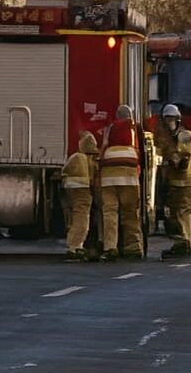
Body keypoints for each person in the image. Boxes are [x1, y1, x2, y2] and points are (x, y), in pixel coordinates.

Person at [98, 105, 143, 261]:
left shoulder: (110, 128)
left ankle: (110, 247)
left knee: (110, 212)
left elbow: (103, 146)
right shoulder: (135, 128)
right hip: (129, 173)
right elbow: (140, 151)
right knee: (130, 213)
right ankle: (133, 247)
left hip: (109, 173)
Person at [155, 104, 191, 260]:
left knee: (181, 215)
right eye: (167, 119)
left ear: (178, 119)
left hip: (184, 182)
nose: (169, 122)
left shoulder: (185, 136)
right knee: (177, 215)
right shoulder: (164, 137)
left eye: (171, 119)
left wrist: (173, 160)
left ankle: (183, 243)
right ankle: (184, 244)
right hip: (174, 183)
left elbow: (184, 159)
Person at [61, 131, 100, 261]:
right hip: (83, 190)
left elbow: (64, 172)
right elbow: (94, 179)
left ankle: (73, 244)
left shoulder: (75, 157)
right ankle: (75, 246)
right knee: (82, 218)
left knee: (73, 216)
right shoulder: (92, 160)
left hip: (69, 189)